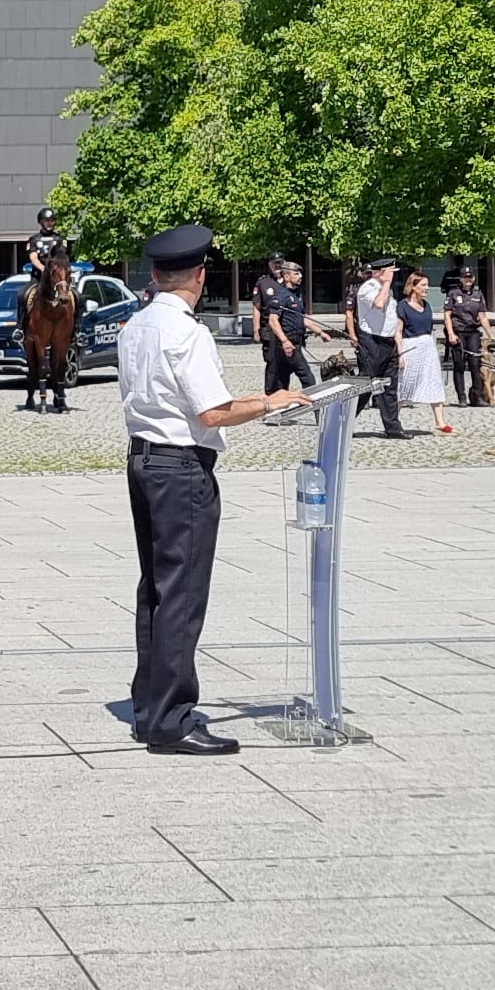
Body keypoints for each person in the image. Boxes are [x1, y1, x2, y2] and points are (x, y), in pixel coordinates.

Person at [114, 224, 313, 756]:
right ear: (200, 277)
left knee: (156, 588)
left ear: (155, 275)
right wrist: (273, 400)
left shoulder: (134, 326)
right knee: (181, 593)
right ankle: (173, 720)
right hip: (181, 468)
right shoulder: (187, 333)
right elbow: (212, 411)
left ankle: (149, 707)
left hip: (145, 460)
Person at [351, 258, 406, 439]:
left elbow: (392, 319)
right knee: (366, 385)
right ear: (381, 271)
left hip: (388, 342)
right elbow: (379, 304)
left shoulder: (386, 289)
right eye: (390, 272)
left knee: (389, 386)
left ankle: (393, 428)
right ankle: (344, 421)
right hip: (371, 342)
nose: (393, 275)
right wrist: (386, 282)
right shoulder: (368, 288)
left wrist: (399, 345)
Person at [249, 254, 318, 399]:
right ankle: (271, 398)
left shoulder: (294, 289)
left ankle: (279, 402)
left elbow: (300, 315)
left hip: (288, 332)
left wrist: (319, 331)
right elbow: (257, 307)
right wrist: (256, 329)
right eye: (274, 263)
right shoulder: (264, 282)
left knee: (283, 371)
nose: (277, 265)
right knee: (273, 368)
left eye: (280, 262)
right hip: (270, 330)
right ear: (269, 264)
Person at [393, 268, 452, 431]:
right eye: (423, 285)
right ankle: (393, 421)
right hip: (410, 347)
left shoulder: (426, 305)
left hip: (428, 347)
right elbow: (398, 331)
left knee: (434, 381)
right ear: (413, 286)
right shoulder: (403, 306)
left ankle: (440, 422)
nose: (426, 288)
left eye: (427, 285)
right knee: (405, 384)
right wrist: (400, 354)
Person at [446, 271, 495, 407]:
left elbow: (482, 317)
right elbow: (447, 315)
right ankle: (461, 397)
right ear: (461, 279)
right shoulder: (453, 294)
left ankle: (478, 396)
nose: (468, 280)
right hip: (458, 332)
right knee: (459, 364)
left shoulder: (478, 294)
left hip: (473, 332)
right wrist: (451, 334)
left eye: (470, 278)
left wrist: (490, 335)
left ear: (473, 278)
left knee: (475, 364)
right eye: (465, 277)